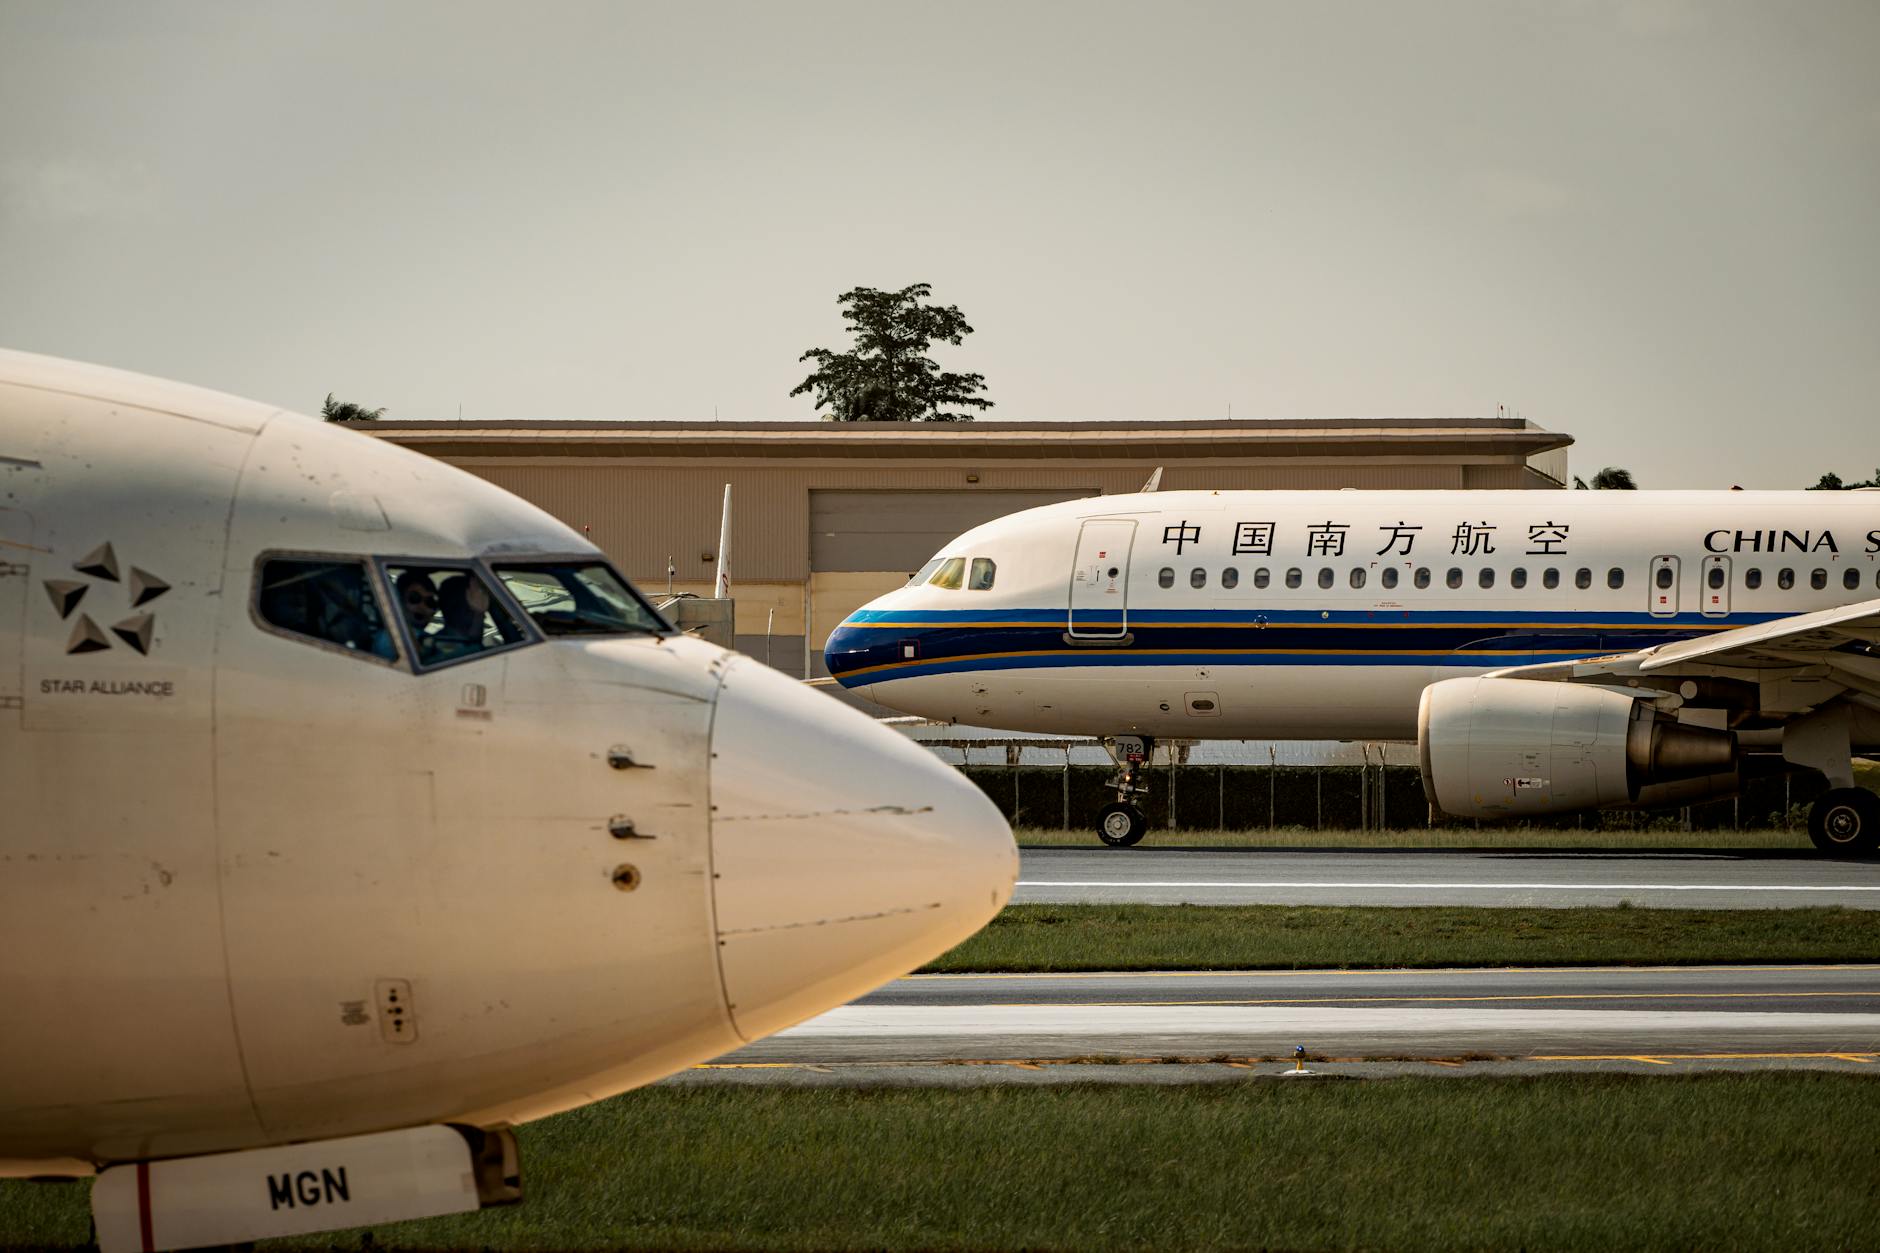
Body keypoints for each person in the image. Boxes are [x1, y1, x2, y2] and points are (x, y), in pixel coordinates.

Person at [433, 574, 491, 659]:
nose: (484, 617)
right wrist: (478, 615)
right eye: (473, 607)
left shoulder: (440, 640)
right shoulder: (446, 649)